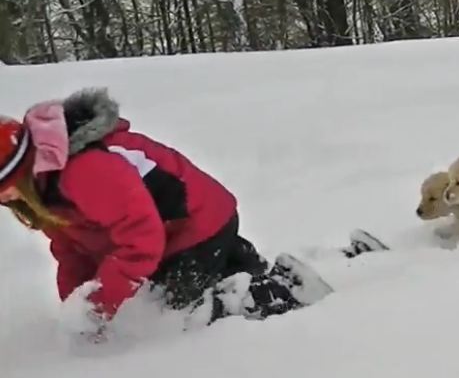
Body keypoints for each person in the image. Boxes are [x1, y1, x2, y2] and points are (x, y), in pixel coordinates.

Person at [0, 88, 388, 342]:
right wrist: (79, 312)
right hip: (180, 231)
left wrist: (99, 307)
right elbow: (72, 252)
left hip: (197, 227)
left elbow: (140, 240)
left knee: (184, 317)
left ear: (18, 169)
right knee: (215, 286)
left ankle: (280, 292)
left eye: (4, 190)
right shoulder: (45, 186)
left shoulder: (82, 172)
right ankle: (322, 267)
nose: (6, 200)